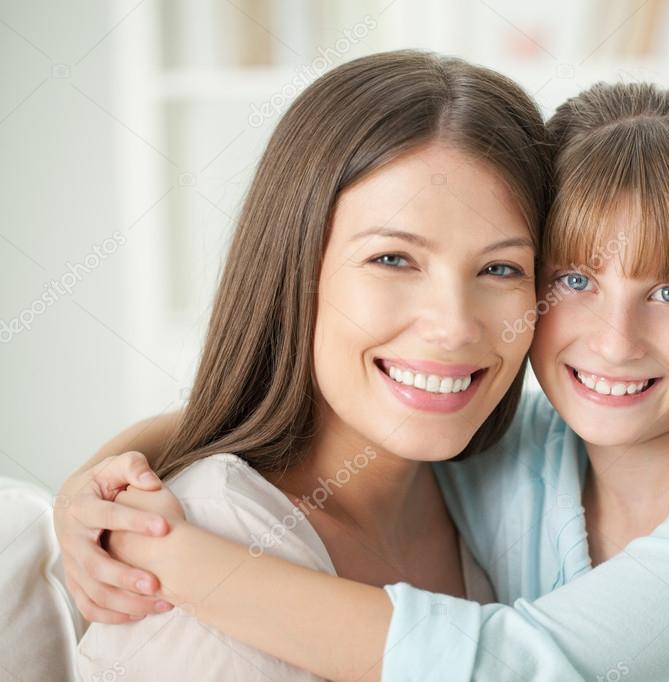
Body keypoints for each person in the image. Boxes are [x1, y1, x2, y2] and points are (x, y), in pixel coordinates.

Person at [59, 79, 669, 681]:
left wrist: (164, 554)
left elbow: (516, 665)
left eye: (668, 293)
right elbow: (305, 399)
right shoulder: (524, 445)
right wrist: (104, 479)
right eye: (574, 283)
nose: (614, 341)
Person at [63, 49, 551, 681]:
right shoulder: (196, 552)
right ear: (296, 271)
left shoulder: (507, 483)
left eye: (500, 268)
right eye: (394, 259)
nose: (454, 326)